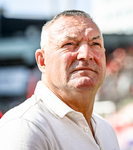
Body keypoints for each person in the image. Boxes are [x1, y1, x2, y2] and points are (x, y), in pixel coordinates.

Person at [0, 10, 120, 150]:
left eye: (95, 44)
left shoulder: (106, 130)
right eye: (69, 44)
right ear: (42, 61)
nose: (86, 54)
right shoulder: (26, 126)